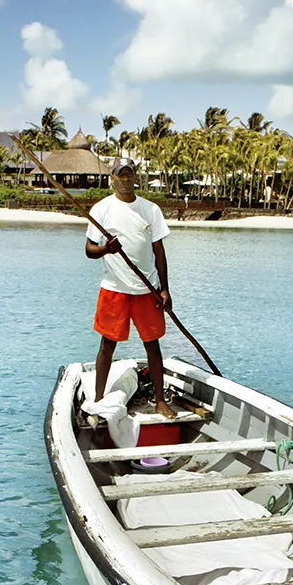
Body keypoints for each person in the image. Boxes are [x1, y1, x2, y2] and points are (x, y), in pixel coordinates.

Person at [86, 160, 173, 417]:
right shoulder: (101, 209)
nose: (125, 179)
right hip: (114, 288)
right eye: (120, 175)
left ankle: (160, 401)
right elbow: (90, 250)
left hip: (147, 289)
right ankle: (99, 398)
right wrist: (106, 249)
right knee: (107, 344)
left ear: (136, 177)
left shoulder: (150, 209)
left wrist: (165, 289)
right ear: (112, 178)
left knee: (152, 344)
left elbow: (159, 251)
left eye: (129, 174)